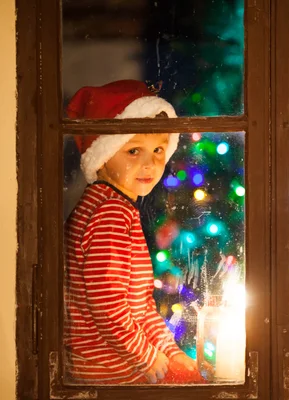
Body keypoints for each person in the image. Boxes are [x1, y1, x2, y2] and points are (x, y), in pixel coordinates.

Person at [64, 80, 203, 385]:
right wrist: (148, 355)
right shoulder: (109, 214)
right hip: (108, 371)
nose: (150, 163)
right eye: (133, 150)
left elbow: (139, 306)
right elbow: (108, 306)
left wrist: (170, 350)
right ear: (103, 155)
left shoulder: (117, 206)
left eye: (157, 149)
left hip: (120, 362)